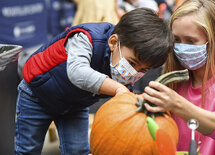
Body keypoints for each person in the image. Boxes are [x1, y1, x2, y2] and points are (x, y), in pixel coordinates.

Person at [15, 8, 173, 155]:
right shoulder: (86, 38)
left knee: (78, 150)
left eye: (143, 70)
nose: (134, 72)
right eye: (131, 63)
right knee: (28, 148)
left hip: (74, 104)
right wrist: (118, 88)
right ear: (113, 42)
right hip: (37, 95)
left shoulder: (125, 67)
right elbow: (77, 72)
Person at [142, 0, 215, 155]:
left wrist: (176, 104)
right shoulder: (173, 84)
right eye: (176, 40)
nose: (182, 47)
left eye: (191, 41)